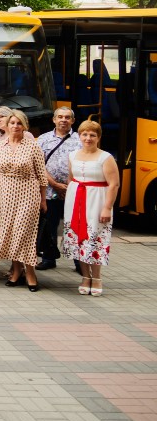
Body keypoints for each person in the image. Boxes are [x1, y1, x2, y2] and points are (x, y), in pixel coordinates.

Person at [0, 109, 48, 292]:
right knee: (10, 233)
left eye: (19, 123)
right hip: (5, 193)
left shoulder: (33, 146)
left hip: (28, 193)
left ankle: (30, 272)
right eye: (12, 123)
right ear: (6, 125)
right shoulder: (0, 145)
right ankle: (16, 270)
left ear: (24, 126)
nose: (15, 126)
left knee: (24, 233)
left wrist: (43, 200)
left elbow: (42, 176)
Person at [64, 120, 120, 297]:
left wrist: (107, 208)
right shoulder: (73, 155)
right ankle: (85, 276)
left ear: (98, 137)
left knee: (95, 237)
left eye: (92, 135)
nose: (88, 138)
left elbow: (114, 184)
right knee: (80, 239)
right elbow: (71, 178)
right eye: (85, 134)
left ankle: (96, 277)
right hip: (76, 200)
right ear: (79, 136)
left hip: (97, 199)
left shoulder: (106, 157)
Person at [36, 107, 81, 271]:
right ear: (54, 120)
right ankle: (48, 258)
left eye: (67, 117)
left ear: (73, 121)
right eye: (60, 117)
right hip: (49, 190)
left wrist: (70, 185)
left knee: (75, 227)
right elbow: (38, 165)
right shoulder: (43, 139)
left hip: (74, 191)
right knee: (49, 226)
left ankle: (78, 261)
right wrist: (54, 184)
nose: (63, 120)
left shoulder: (80, 139)